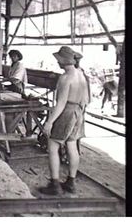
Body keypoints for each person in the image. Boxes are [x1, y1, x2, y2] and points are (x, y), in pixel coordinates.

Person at [38, 46, 89, 195]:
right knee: (71, 145)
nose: (57, 62)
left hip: (67, 111)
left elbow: (60, 103)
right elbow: (87, 99)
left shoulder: (66, 77)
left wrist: (49, 122)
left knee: (53, 146)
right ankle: (71, 183)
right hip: (79, 111)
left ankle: (54, 185)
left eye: (58, 60)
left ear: (63, 61)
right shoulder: (81, 74)